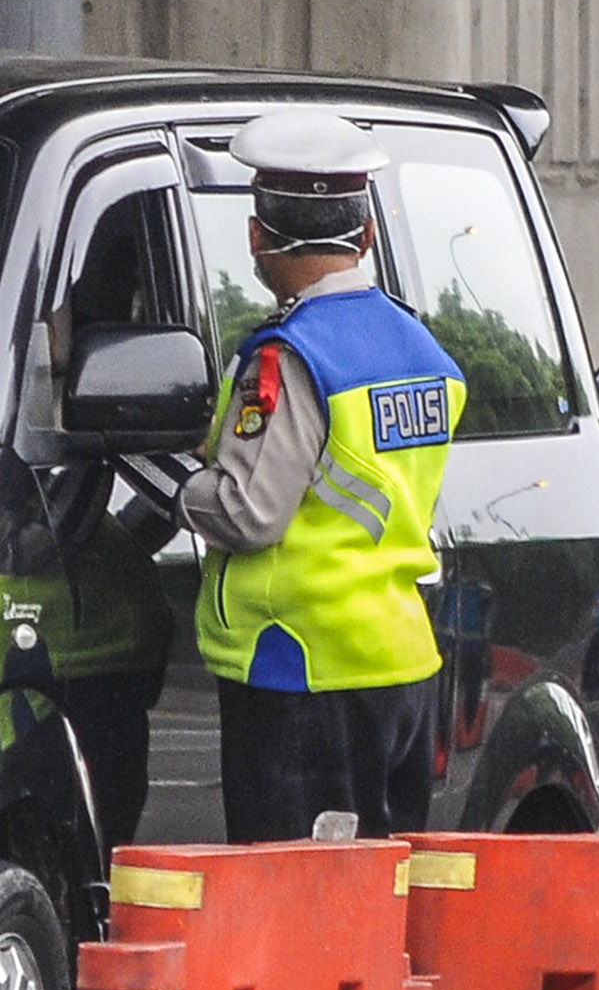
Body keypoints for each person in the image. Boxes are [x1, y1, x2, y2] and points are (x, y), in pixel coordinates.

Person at [156, 109, 466, 843]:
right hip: (403, 662)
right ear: (365, 234)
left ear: (257, 237)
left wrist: (178, 491)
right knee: (379, 898)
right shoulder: (420, 347)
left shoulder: (290, 357)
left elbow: (248, 513)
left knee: (293, 903)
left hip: (301, 668)